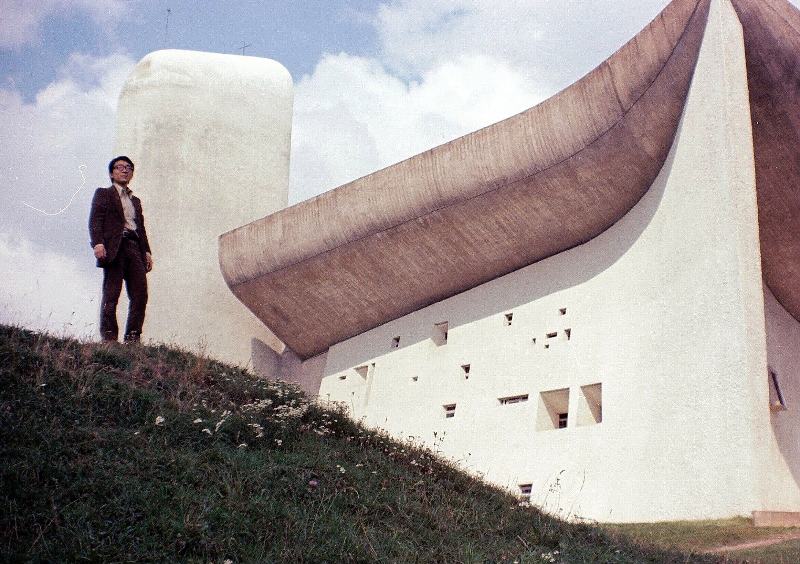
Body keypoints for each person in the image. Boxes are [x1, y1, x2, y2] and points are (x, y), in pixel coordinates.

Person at [89, 156, 153, 342]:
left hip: (135, 248)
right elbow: (95, 219)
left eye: (129, 167)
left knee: (140, 294)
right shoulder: (104, 193)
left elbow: (141, 228)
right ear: (111, 173)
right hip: (115, 248)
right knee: (111, 294)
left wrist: (147, 251)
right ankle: (109, 338)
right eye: (120, 167)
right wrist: (98, 243)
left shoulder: (136, 201)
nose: (125, 170)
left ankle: (133, 338)